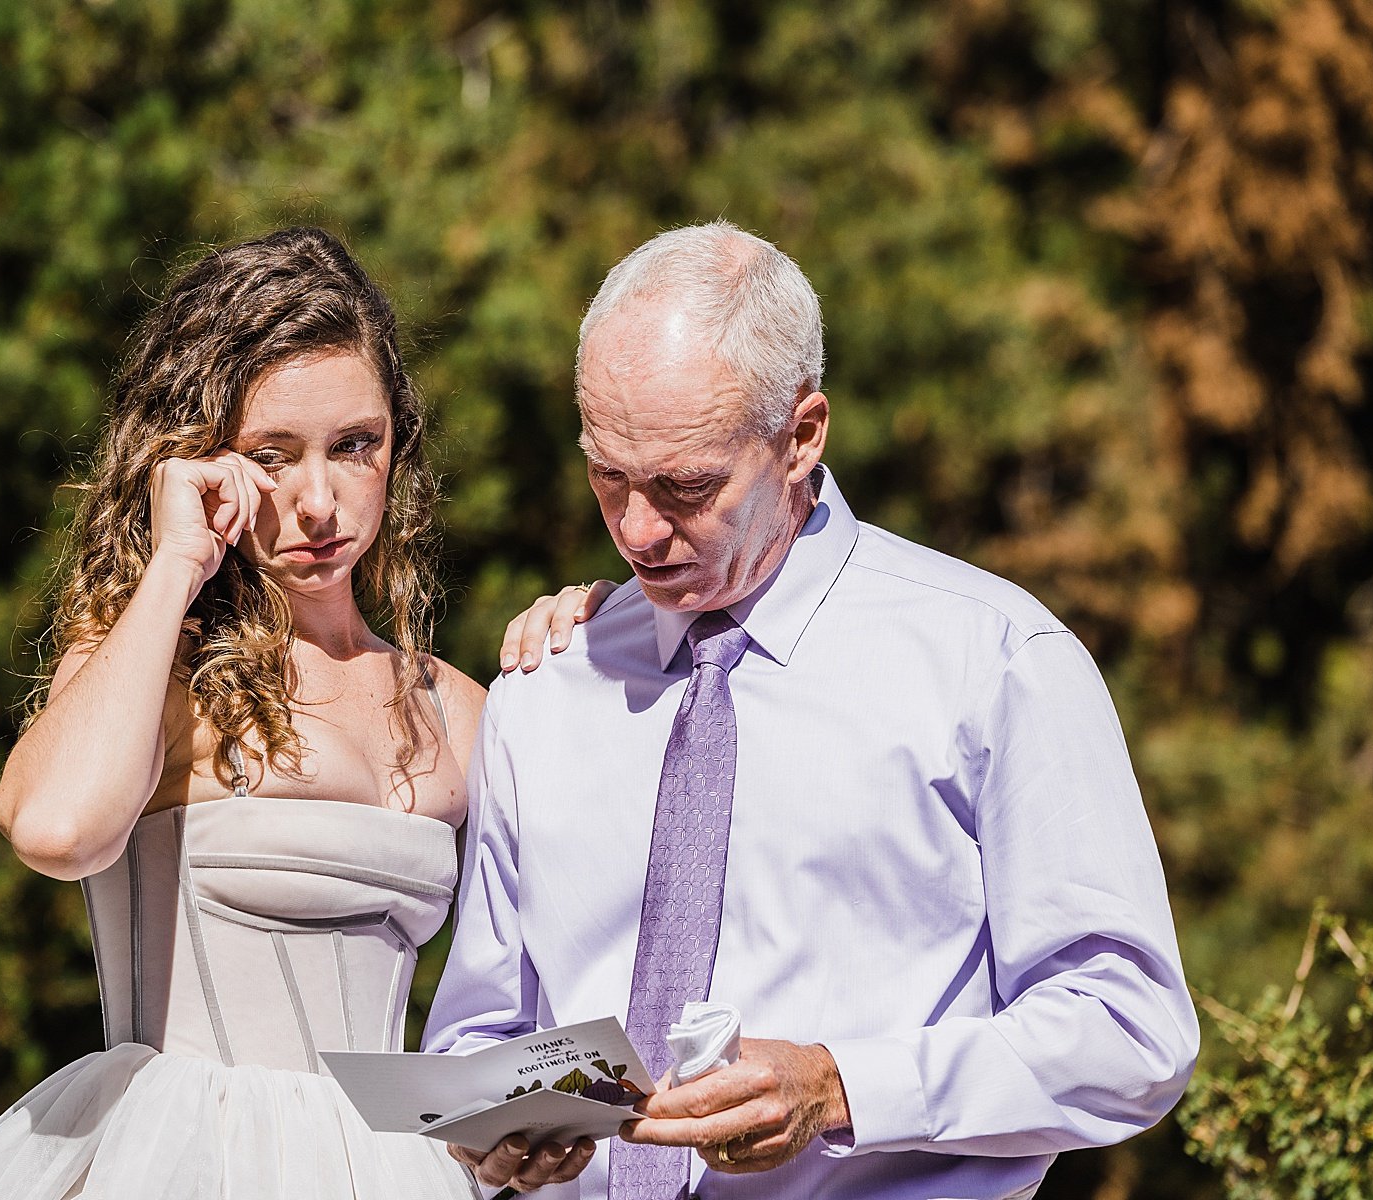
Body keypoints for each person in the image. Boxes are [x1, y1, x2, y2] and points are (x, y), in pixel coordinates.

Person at [424, 221, 1200, 1200]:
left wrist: (840, 1089)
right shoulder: (548, 684)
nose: (635, 530)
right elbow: (476, 1041)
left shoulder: (994, 663)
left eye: (686, 486)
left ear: (801, 436)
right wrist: (501, 1123)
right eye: (606, 475)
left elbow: (1131, 1031)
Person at [0, 227, 576, 1198]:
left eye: (356, 446)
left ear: (399, 447)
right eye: (273, 454)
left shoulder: (458, 709)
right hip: (178, 1162)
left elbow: (567, 965)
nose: (319, 501)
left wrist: (603, 641)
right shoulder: (152, 674)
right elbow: (55, 829)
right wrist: (176, 562)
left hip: (400, 1166)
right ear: (198, 459)